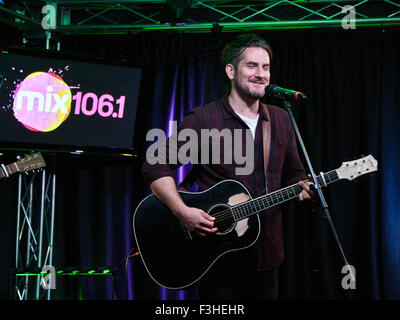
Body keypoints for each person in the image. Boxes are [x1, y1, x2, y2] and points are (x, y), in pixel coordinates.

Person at [141, 33, 314, 300]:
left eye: (265, 67)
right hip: (217, 258)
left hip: (267, 257)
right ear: (231, 71)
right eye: (252, 66)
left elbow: (296, 174)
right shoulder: (204, 119)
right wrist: (182, 212)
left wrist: (303, 187)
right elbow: (155, 165)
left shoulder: (280, 118)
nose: (261, 74)